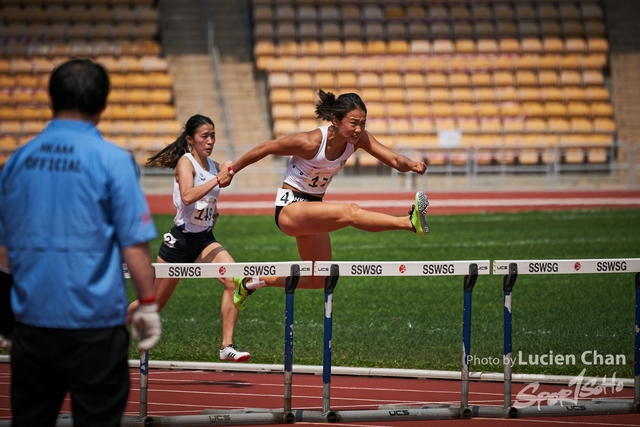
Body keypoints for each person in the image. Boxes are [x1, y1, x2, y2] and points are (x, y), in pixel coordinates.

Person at [0, 59, 161, 427]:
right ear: (102, 103)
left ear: (50, 98)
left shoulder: (16, 161)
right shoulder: (114, 161)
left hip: (33, 324)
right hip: (95, 326)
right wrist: (148, 303)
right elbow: (133, 245)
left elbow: (3, 251)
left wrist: (5, 317)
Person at [217, 89, 429, 306]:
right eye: (353, 123)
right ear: (336, 121)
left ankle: (251, 282)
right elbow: (266, 147)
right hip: (290, 208)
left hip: (312, 210)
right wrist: (231, 171)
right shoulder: (310, 142)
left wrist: (411, 164)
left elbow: (394, 159)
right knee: (350, 211)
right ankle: (408, 222)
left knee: (319, 278)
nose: (359, 129)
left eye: (363, 123)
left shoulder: (358, 140)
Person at [126, 114, 259, 362]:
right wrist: (218, 179)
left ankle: (226, 346)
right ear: (190, 139)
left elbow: (219, 186)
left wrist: (226, 173)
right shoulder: (185, 163)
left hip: (204, 240)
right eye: (204, 136)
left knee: (236, 282)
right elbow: (187, 196)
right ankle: (110, 329)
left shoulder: (214, 166)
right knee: (153, 304)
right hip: (179, 242)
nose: (210, 141)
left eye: (213, 136)